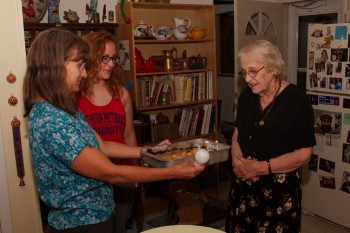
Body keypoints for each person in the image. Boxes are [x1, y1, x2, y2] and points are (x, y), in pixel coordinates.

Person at [23, 28, 204, 233]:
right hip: (81, 225)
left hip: (98, 217)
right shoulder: (53, 122)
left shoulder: (62, 109)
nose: (84, 72)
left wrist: (151, 152)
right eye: (79, 65)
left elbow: (103, 145)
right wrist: (172, 171)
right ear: (55, 64)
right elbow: (111, 173)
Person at [226, 40, 316, 233]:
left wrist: (261, 167)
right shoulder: (246, 96)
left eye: (253, 71)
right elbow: (237, 134)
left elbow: (304, 154)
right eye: (244, 72)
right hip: (244, 186)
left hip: (278, 194)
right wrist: (237, 162)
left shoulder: (297, 100)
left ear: (273, 68)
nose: (248, 79)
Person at [78, 31, 137, 233]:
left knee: (119, 227)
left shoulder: (122, 94)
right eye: (105, 58)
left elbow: (129, 136)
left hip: (123, 177)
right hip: (90, 180)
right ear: (90, 57)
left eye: (114, 58)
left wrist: (136, 172)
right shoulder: (75, 96)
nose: (111, 64)